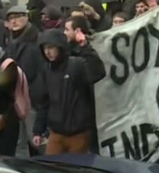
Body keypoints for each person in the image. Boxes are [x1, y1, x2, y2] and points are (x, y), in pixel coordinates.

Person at [32, 20, 106, 155]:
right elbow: (43, 103)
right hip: (56, 133)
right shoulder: (46, 70)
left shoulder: (75, 65)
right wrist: (38, 131)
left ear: (60, 47)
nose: (48, 52)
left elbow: (98, 73)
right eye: (45, 48)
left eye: (51, 47)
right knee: (52, 168)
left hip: (78, 133)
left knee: (75, 171)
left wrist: (85, 47)